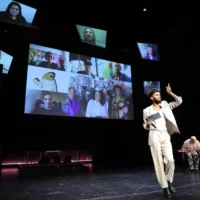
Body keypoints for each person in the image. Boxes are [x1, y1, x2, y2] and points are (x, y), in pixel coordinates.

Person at [143, 84, 182, 199]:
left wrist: (170, 93)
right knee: (158, 162)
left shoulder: (165, 105)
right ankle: (165, 188)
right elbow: (145, 125)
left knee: (170, 160)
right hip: (154, 134)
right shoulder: (147, 110)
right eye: (156, 95)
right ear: (151, 97)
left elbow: (179, 101)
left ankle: (169, 181)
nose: (159, 96)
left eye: (159, 94)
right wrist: (147, 125)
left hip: (165, 134)